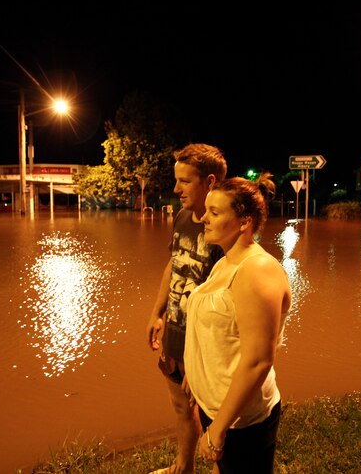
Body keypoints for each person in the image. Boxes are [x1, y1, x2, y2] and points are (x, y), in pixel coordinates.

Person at [182, 173, 292, 473]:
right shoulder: (225, 260)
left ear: (244, 222)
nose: (203, 218)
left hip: (241, 419)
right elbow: (221, 329)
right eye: (207, 210)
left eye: (215, 212)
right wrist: (196, 372)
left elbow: (258, 361)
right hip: (217, 406)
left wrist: (218, 429)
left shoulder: (256, 271)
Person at [147, 143, 228, 474]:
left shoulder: (227, 229)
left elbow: (228, 300)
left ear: (209, 182)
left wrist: (200, 356)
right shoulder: (181, 217)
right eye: (176, 180)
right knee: (181, 406)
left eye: (185, 181)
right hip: (176, 332)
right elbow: (174, 263)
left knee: (215, 412)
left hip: (206, 342)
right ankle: (183, 467)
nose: (176, 188)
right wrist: (157, 312)